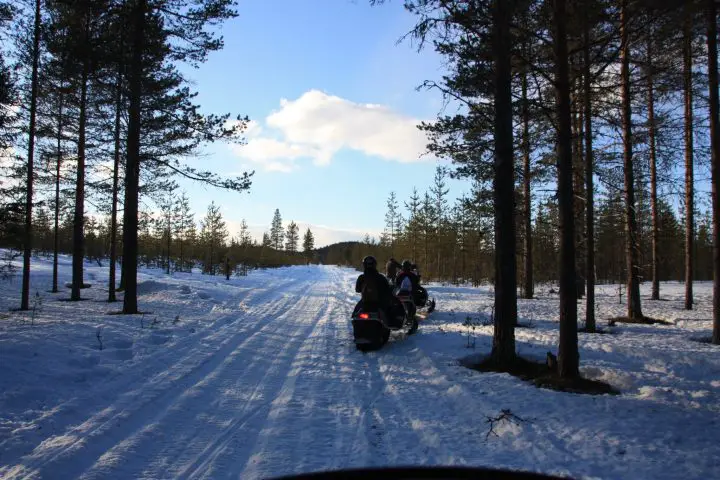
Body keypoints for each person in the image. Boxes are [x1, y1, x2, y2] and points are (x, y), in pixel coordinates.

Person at [355, 255, 403, 327]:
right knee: (391, 310)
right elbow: (387, 290)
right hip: (379, 303)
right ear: (375, 265)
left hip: (365, 302)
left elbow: (357, 289)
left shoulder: (361, 277)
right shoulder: (380, 277)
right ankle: (392, 325)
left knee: (356, 313)